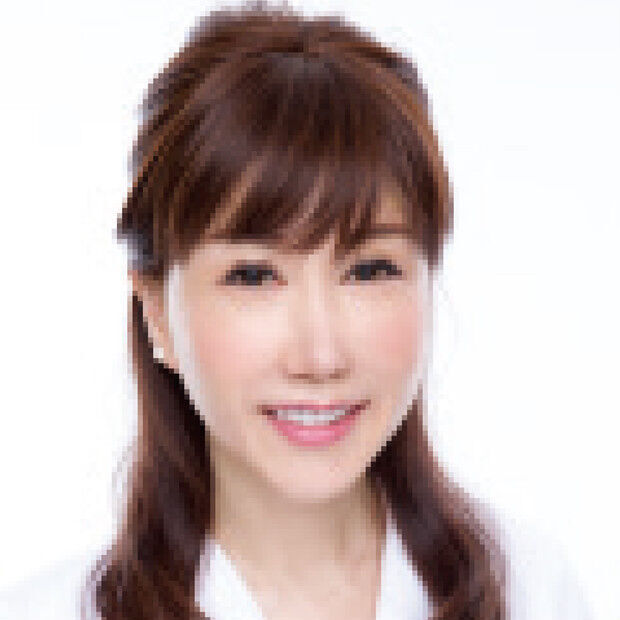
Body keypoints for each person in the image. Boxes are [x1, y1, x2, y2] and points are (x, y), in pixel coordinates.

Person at [0, 4, 593, 620]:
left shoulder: (534, 593)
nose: (321, 355)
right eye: (254, 276)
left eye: (369, 270)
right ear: (156, 314)